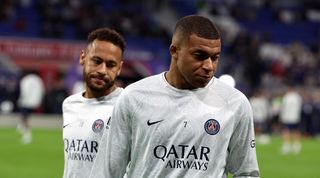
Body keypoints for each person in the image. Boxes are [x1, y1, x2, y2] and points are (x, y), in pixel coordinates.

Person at [90, 15, 260, 178]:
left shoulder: (235, 103)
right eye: (199, 56)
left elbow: (246, 173)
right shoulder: (135, 97)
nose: (209, 66)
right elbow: (107, 171)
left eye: (214, 58)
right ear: (174, 50)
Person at [62, 27, 125, 178]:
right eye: (97, 61)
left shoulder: (127, 105)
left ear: (119, 68)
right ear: (83, 57)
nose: (102, 70)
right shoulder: (69, 104)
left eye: (110, 65)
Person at [17, 70, 45, 144]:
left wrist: (20, 100)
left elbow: (24, 91)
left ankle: (26, 133)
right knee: (26, 117)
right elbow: (42, 90)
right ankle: (22, 128)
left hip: (26, 101)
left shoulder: (25, 80)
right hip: (34, 101)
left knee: (25, 117)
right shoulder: (38, 79)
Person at [279, 85, 302, 154]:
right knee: (296, 131)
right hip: (295, 117)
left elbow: (283, 107)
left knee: (286, 131)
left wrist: (281, 117)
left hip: (287, 117)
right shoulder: (297, 97)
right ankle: (296, 145)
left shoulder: (286, 97)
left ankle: (287, 145)